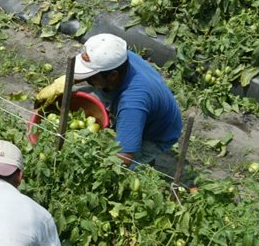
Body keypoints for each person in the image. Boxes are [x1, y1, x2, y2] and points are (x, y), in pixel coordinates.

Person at [37, 33, 182, 167]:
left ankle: (143, 155)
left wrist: (91, 164)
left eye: (91, 75)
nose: (86, 79)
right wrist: (63, 83)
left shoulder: (132, 104)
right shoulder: (116, 57)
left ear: (112, 76)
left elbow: (124, 158)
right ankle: (130, 133)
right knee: (80, 96)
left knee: (121, 168)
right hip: (144, 102)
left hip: (157, 135)